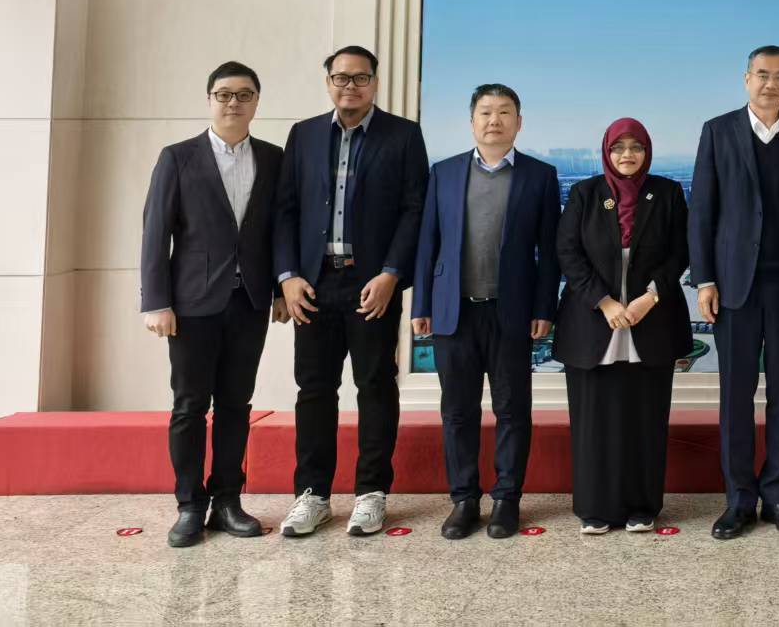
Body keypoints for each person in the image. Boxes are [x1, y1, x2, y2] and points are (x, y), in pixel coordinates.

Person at [273, 45, 428, 538]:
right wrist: (287, 276)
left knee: (375, 386)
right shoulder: (303, 135)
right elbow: (285, 210)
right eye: (341, 78)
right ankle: (312, 495)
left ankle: (371, 493)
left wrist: (391, 274)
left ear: (374, 83)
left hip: (372, 284)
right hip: (313, 284)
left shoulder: (403, 135)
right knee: (314, 390)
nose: (350, 86)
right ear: (328, 83)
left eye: (360, 78)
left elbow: (414, 210)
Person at [688, 45, 779, 540]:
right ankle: (738, 501)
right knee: (736, 394)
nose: (770, 84)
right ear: (746, 79)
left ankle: (778, 498)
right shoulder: (717, 131)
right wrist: (704, 280)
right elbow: (702, 211)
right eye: (762, 75)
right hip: (734, 286)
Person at [139, 61, 283, 547]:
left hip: (250, 301)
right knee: (189, 406)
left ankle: (227, 501)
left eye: (244, 95)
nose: (233, 103)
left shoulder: (273, 158)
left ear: (256, 102)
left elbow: (279, 230)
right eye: (224, 94)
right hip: (191, 304)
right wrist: (156, 301)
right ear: (209, 100)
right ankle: (189, 505)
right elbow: (155, 233)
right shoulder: (178, 157)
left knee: (236, 406)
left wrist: (280, 290)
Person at [410, 84, 560, 540]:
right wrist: (422, 304)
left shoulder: (540, 175)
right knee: (457, 411)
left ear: (519, 122)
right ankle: (464, 500)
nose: (494, 120)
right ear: (472, 121)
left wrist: (544, 307)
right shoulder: (445, 172)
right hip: (454, 312)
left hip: (511, 312)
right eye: (486, 112)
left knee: (512, 410)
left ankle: (507, 499)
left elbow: (549, 251)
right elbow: (428, 242)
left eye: (504, 112)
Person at [555, 118, 692, 535]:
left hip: (652, 319)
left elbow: (680, 251)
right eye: (618, 147)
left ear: (647, 151)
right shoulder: (585, 193)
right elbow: (568, 251)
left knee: (646, 418)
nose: (627, 155)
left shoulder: (667, 193)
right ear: (606, 152)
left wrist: (651, 296)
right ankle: (594, 509)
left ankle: (642, 507)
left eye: (636, 147)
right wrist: (605, 302)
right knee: (593, 419)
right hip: (593, 322)